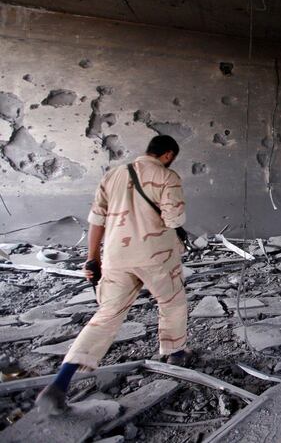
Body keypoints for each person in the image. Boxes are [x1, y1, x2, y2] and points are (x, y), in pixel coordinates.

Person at [36, 135, 190, 414]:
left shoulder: (112, 175)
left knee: (106, 315)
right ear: (167, 155)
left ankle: (60, 383)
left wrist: (92, 258)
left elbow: (96, 220)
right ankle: (174, 354)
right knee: (172, 302)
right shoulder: (167, 176)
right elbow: (174, 220)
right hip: (157, 255)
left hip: (116, 255)